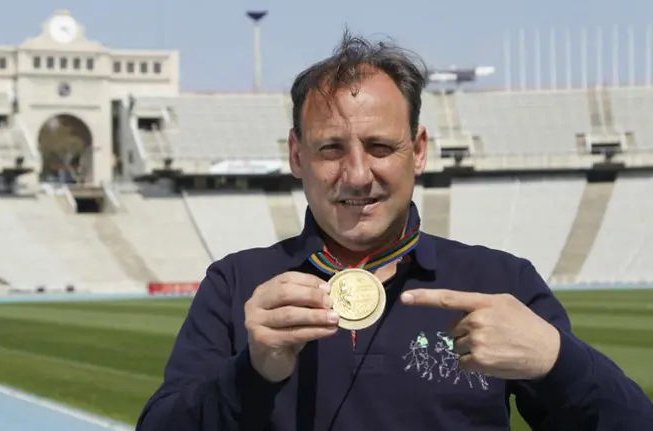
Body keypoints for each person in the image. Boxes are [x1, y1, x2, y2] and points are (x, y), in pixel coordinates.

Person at [136, 31, 653, 431]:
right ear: (297, 155)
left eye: (381, 147)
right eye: (331, 148)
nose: (358, 175)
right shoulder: (236, 284)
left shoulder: (500, 282)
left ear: (420, 149)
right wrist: (252, 371)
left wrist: (555, 361)